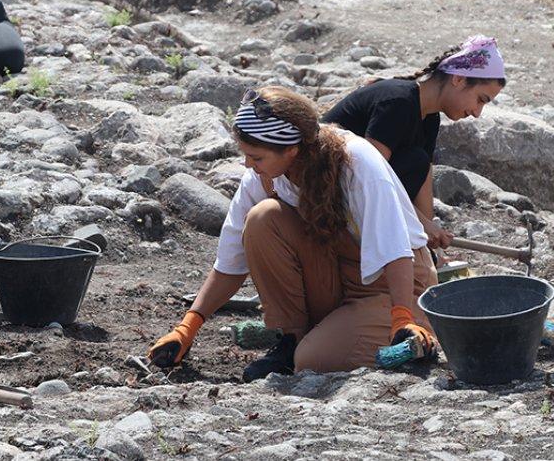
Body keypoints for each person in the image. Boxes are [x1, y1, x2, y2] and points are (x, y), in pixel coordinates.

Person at [148, 87, 436, 382]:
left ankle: (421, 332)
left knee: (313, 361)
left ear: (291, 150)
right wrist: (188, 327)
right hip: (338, 278)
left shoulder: (358, 163)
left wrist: (401, 317)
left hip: (394, 287)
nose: (248, 165)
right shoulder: (264, 177)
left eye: (256, 158)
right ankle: (293, 339)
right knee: (264, 218)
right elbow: (229, 264)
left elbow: (396, 250)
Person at [323, 36, 507, 251]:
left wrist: (428, 241)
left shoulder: (430, 117)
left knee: (416, 161)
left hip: (354, 189)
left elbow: (423, 177)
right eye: (480, 100)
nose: (477, 113)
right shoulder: (398, 103)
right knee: (412, 161)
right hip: (324, 188)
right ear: (458, 79)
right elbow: (368, 177)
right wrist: (421, 224)